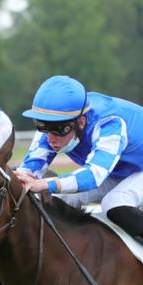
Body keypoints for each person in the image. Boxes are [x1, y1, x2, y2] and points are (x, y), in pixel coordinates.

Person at [15, 75, 143, 244]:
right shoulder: (56, 125)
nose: (50, 138)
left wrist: (45, 184)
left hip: (129, 169)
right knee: (52, 201)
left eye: (58, 130)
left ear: (81, 122)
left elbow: (93, 176)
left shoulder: (109, 124)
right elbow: (27, 173)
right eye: (43, 127)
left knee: (115, 203)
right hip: (122, 169)